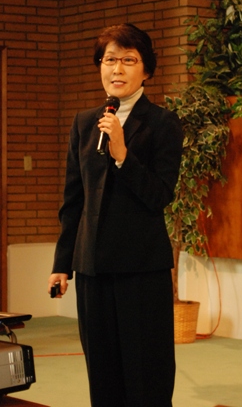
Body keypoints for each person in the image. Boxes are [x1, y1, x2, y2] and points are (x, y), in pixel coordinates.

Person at [48, 23, 183, 407]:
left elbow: (160, 196)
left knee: (145, 375)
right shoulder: (84, 122)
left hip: (141, 269)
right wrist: (62, 264)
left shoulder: (163, 123)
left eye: (129, 60)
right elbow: (74, 199)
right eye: (109, 60)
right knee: (102, 375)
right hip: (92, 267)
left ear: (147, 70)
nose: (117, 69)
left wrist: (123, 156)